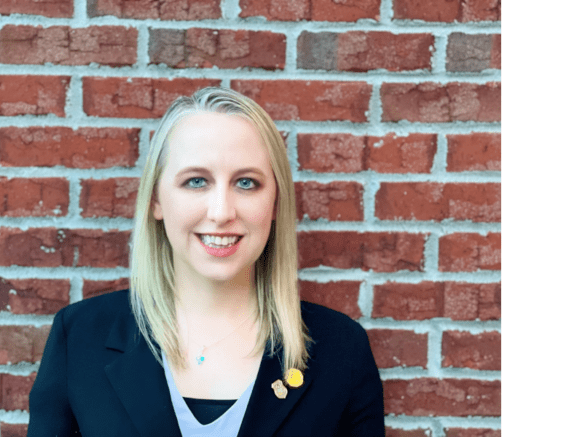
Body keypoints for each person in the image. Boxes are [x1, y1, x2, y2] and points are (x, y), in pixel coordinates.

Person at [27, 87, 384, 436]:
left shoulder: (341, 350)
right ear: (156, 200)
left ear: (275, 202)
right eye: (196, 181)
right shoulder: (80, 338)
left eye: (246, 183)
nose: (221, 212)